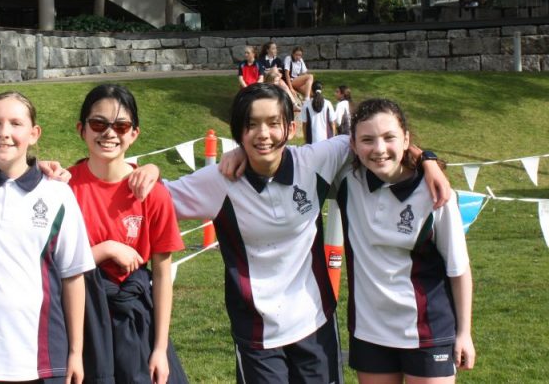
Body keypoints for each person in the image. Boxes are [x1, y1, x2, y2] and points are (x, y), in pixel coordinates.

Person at [142, 84, 451, 384]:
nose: (263, 133)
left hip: (315, 322)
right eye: (251, 125)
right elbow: (154, 199)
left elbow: (375, 139)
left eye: (273, 123)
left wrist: (427, 159)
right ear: (238, 132)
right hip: (257, 333)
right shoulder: (219, 180)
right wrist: (151, 171)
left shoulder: (316, 160)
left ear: (291, 128)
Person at [0, 91, 95, 384]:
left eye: (16, 124)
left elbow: (73, 275)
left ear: (34, 133)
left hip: (41, 358)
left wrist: (76, 352)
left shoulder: (58, 194)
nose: (4, 132)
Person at [340, 98, 474, 383]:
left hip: (428, 331)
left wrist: (464, 333)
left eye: (389, 137)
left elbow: (459, 269)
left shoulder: (436, 194)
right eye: (367, 140)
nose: (379, 149)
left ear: (406, 140)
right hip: (369, 332)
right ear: (353, 144)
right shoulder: (347, 181)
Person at [68, 84, 189, 384]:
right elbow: (56, 266)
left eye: (120, 126)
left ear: (134, 134)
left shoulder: (153, 194)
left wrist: (159, 348)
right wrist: (107, 249)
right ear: (82, 129)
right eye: (99, 124)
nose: (109, 133)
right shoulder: (64, 189)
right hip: (81, 319)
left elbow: (162, 275)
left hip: (135, 322)